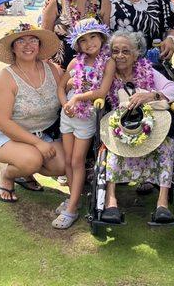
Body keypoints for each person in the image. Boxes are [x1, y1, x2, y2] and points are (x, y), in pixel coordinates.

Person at [98, 30, 174, 224]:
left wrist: (151, 95)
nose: (119, 56)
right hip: (121, 127)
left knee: (167, 145)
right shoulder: (107, 73)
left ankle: (162, 204)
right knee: (111, 148)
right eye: (115, 51)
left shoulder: (148, 71)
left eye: (126, 51)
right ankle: (111, 203)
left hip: (150, 128)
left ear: (136, 53)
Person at [0, 23, 65, 203]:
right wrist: (38, 144)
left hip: (43, 132)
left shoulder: (53, 70)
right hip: (8, 134)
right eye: (21, 41)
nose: (28, 45)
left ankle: (24, 174)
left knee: (62, 164)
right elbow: (2, 122)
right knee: (31, 160)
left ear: (39, 45)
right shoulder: (5, 78)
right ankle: (8, 175)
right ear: (13, 48)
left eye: (33, 40)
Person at [52, 19, 115, 229]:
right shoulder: (74, 62)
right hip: (68, 114)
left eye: (93, 37)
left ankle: (71, 210)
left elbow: (101, 92)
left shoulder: (108, 62)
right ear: (77, 45)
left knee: (78, 160)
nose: (89, 43)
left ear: (102, 37)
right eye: (83, 40)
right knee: (68, 160)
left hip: (87, 116)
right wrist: (65, 104)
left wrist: (77, 99)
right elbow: (61, 87)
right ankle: (74, 200)